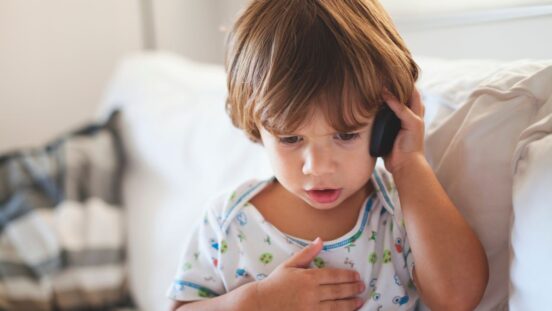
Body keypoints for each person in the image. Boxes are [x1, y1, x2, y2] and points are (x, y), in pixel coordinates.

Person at [167, 0, 489, 310]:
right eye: (291, 138)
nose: (318, 167)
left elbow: (458, 299)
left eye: (346, 135)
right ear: (256, 127)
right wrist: (257, 303)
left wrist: (409, 164)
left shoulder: (402, 210)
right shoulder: (229, 222)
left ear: (386, 123)